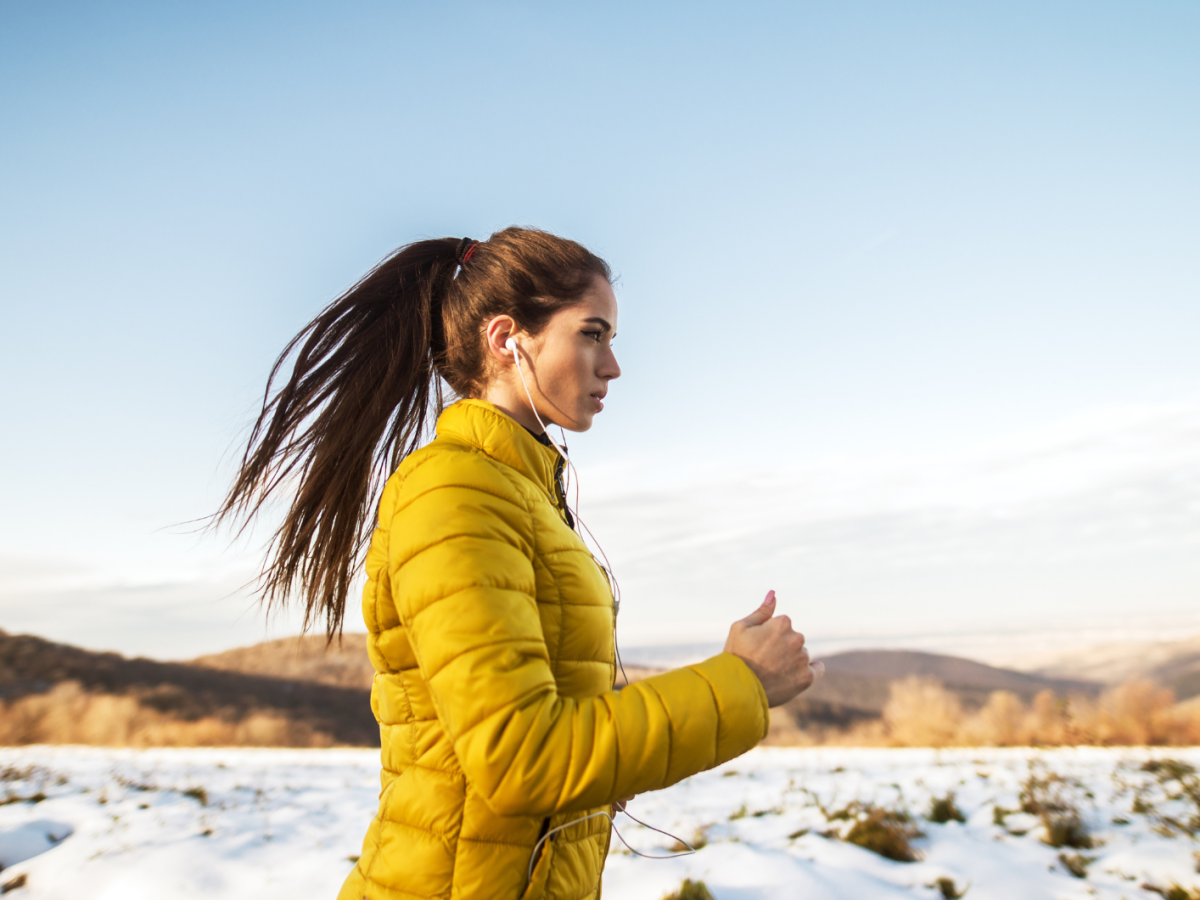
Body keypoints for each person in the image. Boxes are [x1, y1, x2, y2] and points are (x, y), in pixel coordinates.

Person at [217, 227, 823, 900]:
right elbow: (520, 759)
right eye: (592, 334)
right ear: (509, 339)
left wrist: (601, 778)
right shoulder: (453, 493)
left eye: (612, 339)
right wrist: (742, 683)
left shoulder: (519, 491)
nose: (613, 365)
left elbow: (538, 739)